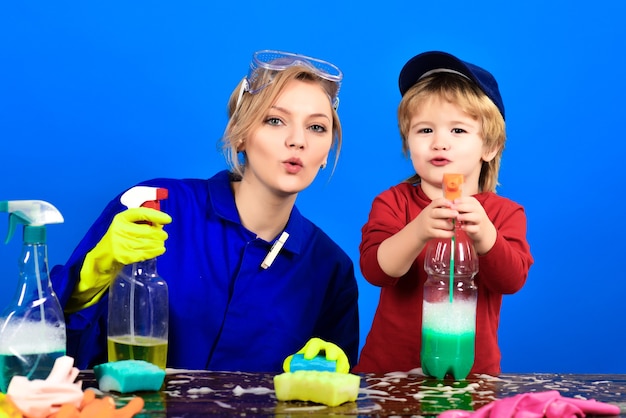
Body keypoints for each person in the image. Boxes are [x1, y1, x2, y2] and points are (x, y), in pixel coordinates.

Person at [50, 49, 359, 372]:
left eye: (317, 128)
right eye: (275, 120)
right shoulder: (154, 206)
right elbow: (41, 357)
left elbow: (329, 399)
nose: (298, 140)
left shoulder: (330, 268)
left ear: (326, 154)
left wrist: (330, 373)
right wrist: (88, 280)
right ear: (240, 134)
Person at [353, 51, 533, 376]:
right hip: (389, 376)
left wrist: (486, 236)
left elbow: (512, 280)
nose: (439, 143)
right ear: (407, 143)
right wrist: (418, 229)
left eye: (458, 131)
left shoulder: (505, 214)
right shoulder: (392, 203)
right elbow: (376, 271)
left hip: (471, 377)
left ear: (490, 147)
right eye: (424, 130)